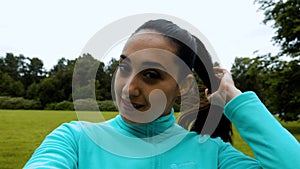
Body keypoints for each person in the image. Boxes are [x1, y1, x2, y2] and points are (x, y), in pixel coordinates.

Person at [24, 19, 300, 169]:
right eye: (124, 67)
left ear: (183, 86)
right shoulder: (74, 140)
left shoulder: (213, 155)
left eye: (151, 75)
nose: (129, 88)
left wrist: (236, 100)